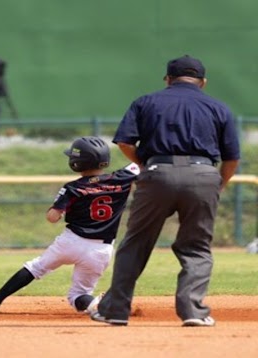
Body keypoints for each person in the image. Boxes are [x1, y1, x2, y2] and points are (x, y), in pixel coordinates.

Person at [90, 55, 240, 327]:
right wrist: (218, 184)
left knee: (135, 243)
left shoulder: (146, 102)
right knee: (196, 246)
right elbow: (232, 158)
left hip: (157, 173)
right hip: (204, 174)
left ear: (167, 79)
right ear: (203, 82)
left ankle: (115, 311)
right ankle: (193, 312)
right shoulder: (219, 107)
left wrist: (145, 164)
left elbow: (124, 142)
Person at [0, 137, 139, 314]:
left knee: (35, 268)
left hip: (71, 242)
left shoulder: (73, 188)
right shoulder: (122, 178)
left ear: (76, 162)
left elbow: (52, 217)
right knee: (79, 294)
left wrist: (58, 210)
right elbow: (141, 163)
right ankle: (98, 305)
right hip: (101, 250)